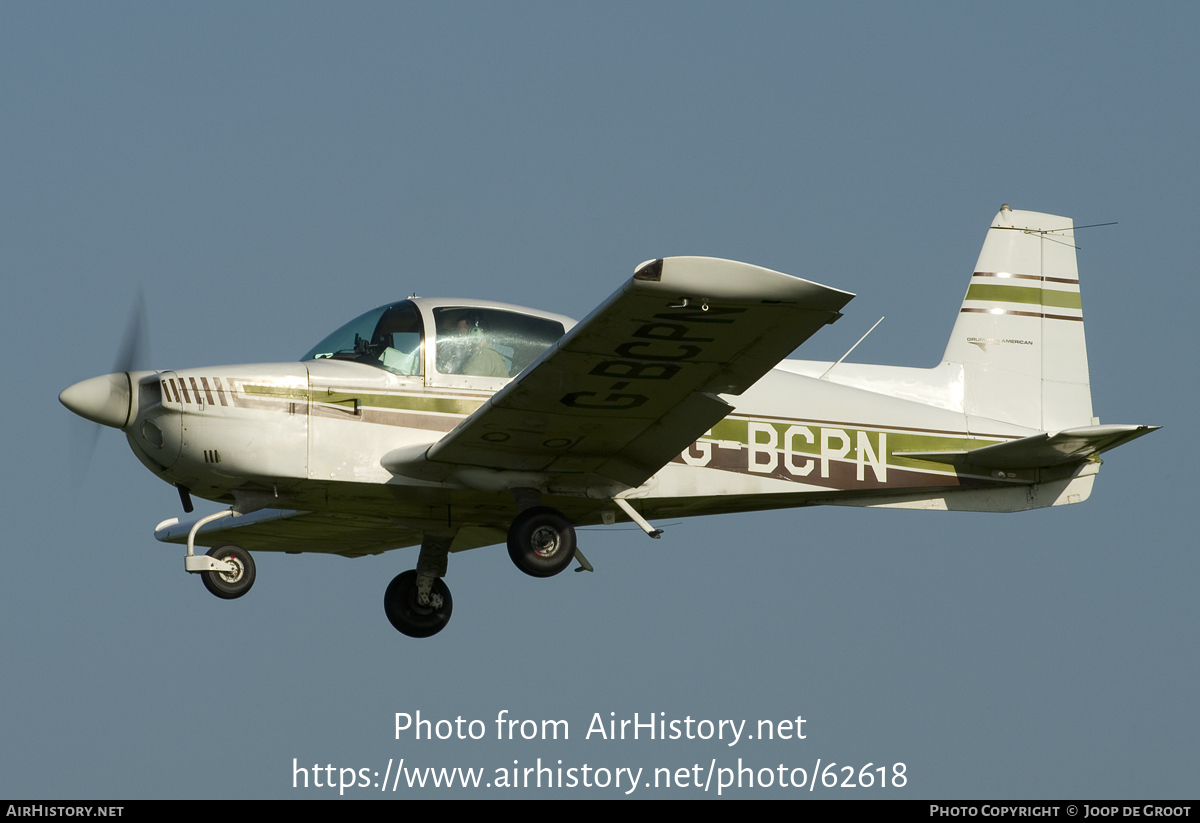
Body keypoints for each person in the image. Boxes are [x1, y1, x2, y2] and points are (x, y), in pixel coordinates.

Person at [450, 312, 509, 378]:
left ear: (475, 333)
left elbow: (464, 382)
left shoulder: (484, 355)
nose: (459, 339)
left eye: (462, 334)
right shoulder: (483, 354)